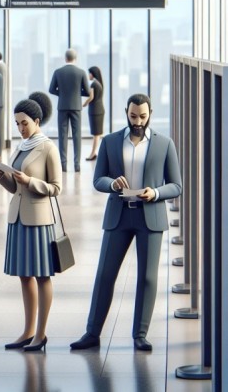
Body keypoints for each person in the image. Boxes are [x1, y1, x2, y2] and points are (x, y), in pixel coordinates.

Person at [70, 94, 182, 352]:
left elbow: (176, 185)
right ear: (126, 112)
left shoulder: (164, 144)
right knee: (105, 275)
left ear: (150, 113)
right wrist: (112, 184)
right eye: (133, 116)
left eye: (143, 116)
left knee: (147, 278)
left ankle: (140, 335)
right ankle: (92, 333)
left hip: (150, 217)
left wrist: (155, 192)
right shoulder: (110, 142)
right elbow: (98, 179)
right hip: (118, 216)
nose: (138, 122)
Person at [0, 92, 62, 352]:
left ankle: (40, 334)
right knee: (24, 275)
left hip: (39, 221)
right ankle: (28, 331)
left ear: (37, 121)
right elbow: (15, 188)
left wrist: (30, 181)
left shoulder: (48, 148)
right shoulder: (21, 147)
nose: (20, 128)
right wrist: (2, 177)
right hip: (18, 218)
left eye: (24, 123)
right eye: (17, 123)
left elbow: (56, 188)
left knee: (42, 276)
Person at [48, 49, 90, 172]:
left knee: (62, 136)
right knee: (77, 136)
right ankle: (77, 165)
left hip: (62, 106)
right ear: (75, 58)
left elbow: (51, 89)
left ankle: (63, 165)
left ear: (65, 58)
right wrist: (77, 93)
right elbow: (88, 92)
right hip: (76, 107)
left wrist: (61, 93)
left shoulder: (58, 72)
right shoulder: (81, 72)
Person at [83, 66, 105, 161]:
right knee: (97, 134)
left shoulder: (93, 84)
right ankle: (94, 152)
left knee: (96, 134)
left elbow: (91, 97)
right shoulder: (99, 84)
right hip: (99, 110)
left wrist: (84, 104)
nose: (88, 75)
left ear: (93, 74)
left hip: (95, 111)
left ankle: (92, 154)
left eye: (89, 73)